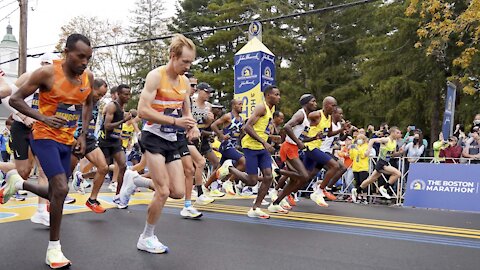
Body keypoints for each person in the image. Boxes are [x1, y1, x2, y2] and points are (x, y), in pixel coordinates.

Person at [2, 33, 94, 268]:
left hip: (67, 140)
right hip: (44, 137)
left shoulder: (88, 78)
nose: (84, 62)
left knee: (57, 192)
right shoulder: (47, 73)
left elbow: (88, 103)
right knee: (61, 188)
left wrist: (83, 134)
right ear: (66, 52)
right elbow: (15, 99)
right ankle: (54, 249)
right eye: (80, 57)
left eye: (88, 58)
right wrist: (42, 117)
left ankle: (19, 183)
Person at [135, 34, 198, 253]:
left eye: (190, 62)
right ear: (173, 56)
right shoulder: (155, 77)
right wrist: (175, 121)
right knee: (162, 191)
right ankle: (146, 236)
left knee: (177, 192)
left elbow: (186, 107)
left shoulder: (185, 82)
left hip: (172, 139)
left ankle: (137, 181)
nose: (188, 67)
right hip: (153, 137)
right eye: (185, 62)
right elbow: (143, 111)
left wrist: (192, 126)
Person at [233, 85, 280, 219]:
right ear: (268, 96)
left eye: (279, 95)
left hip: (261, 148)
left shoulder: (272, 109)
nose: (278, 97)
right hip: (250, 146)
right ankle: (229, 168)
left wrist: (271, 138)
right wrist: (264, 142)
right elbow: (246, 127)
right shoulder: (261, 107)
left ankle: (256, 208)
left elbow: (262, 129)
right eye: (276, 94)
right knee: (252, 181)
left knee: (268, 176)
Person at [269, 94, 318, 213]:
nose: (316, 104)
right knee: (305, 176)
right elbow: (287, 126)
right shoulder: (300, 114)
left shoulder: (305, 117)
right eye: (313, 101)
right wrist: (298, 142)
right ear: (306, 103)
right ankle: (277, 172)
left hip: (293, 147)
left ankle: (275, 203)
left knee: (295, 180)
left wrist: (314, 138)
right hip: (289, 147)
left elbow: (300, 137)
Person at [70, 79, 109, 213]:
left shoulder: (96, 103)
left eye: (103, 96)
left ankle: (92, 200)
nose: (100, 97)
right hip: (76, 137)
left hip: (90, 139)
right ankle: (53, 200)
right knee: (65, 173)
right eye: (99, 94)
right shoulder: (79, 98)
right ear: (91, 89)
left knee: (103, 167)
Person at [98, 84, 133, 208]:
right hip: (105, 141)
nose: (128, 96)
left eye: (129, 94)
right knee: (103, 169)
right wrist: (124, 120)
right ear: (118, 94)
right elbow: (107, 126)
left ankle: (118, 196)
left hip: (116, 142)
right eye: (125, 94)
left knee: (123, 166)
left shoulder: (122, 107)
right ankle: (82, 177)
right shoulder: (112, 106)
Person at [352, 126, 404, 200]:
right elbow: (372, 140)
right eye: (397, 133)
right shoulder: (386, 140)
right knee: (397, 173)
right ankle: (384, 188)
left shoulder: (394, 142)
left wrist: (399, 152)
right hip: (381, 162)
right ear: (392, 133)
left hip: (385, 162)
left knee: (370, 180)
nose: (400, 134)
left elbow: (393, 154)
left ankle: (357, 190)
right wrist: (368, 150)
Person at [209, 98, 245, 195]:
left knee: (219, 169)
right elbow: (213, 125)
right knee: (243, 161)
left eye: (242, 104)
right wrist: (221, 136)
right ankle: (228, 182)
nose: (242, 106)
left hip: (234, 146)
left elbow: (240, 133)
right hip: (227, 146)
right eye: (239, 104)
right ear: (234, 106)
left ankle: (205, 186)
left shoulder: (241, 119)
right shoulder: (228, 116)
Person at [349, 134, 370, 203]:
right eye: (358, 138)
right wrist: (351, 149)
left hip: (363, 167)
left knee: (363, 182)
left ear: (363, 140)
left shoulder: (366, 146)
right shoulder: (355, 146)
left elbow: (363, 155)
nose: (359, 140)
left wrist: (358, 149)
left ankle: (364, 197)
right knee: (357, 182)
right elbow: (351, 157)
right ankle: (358, 196)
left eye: (360, 138)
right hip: (355, 167)